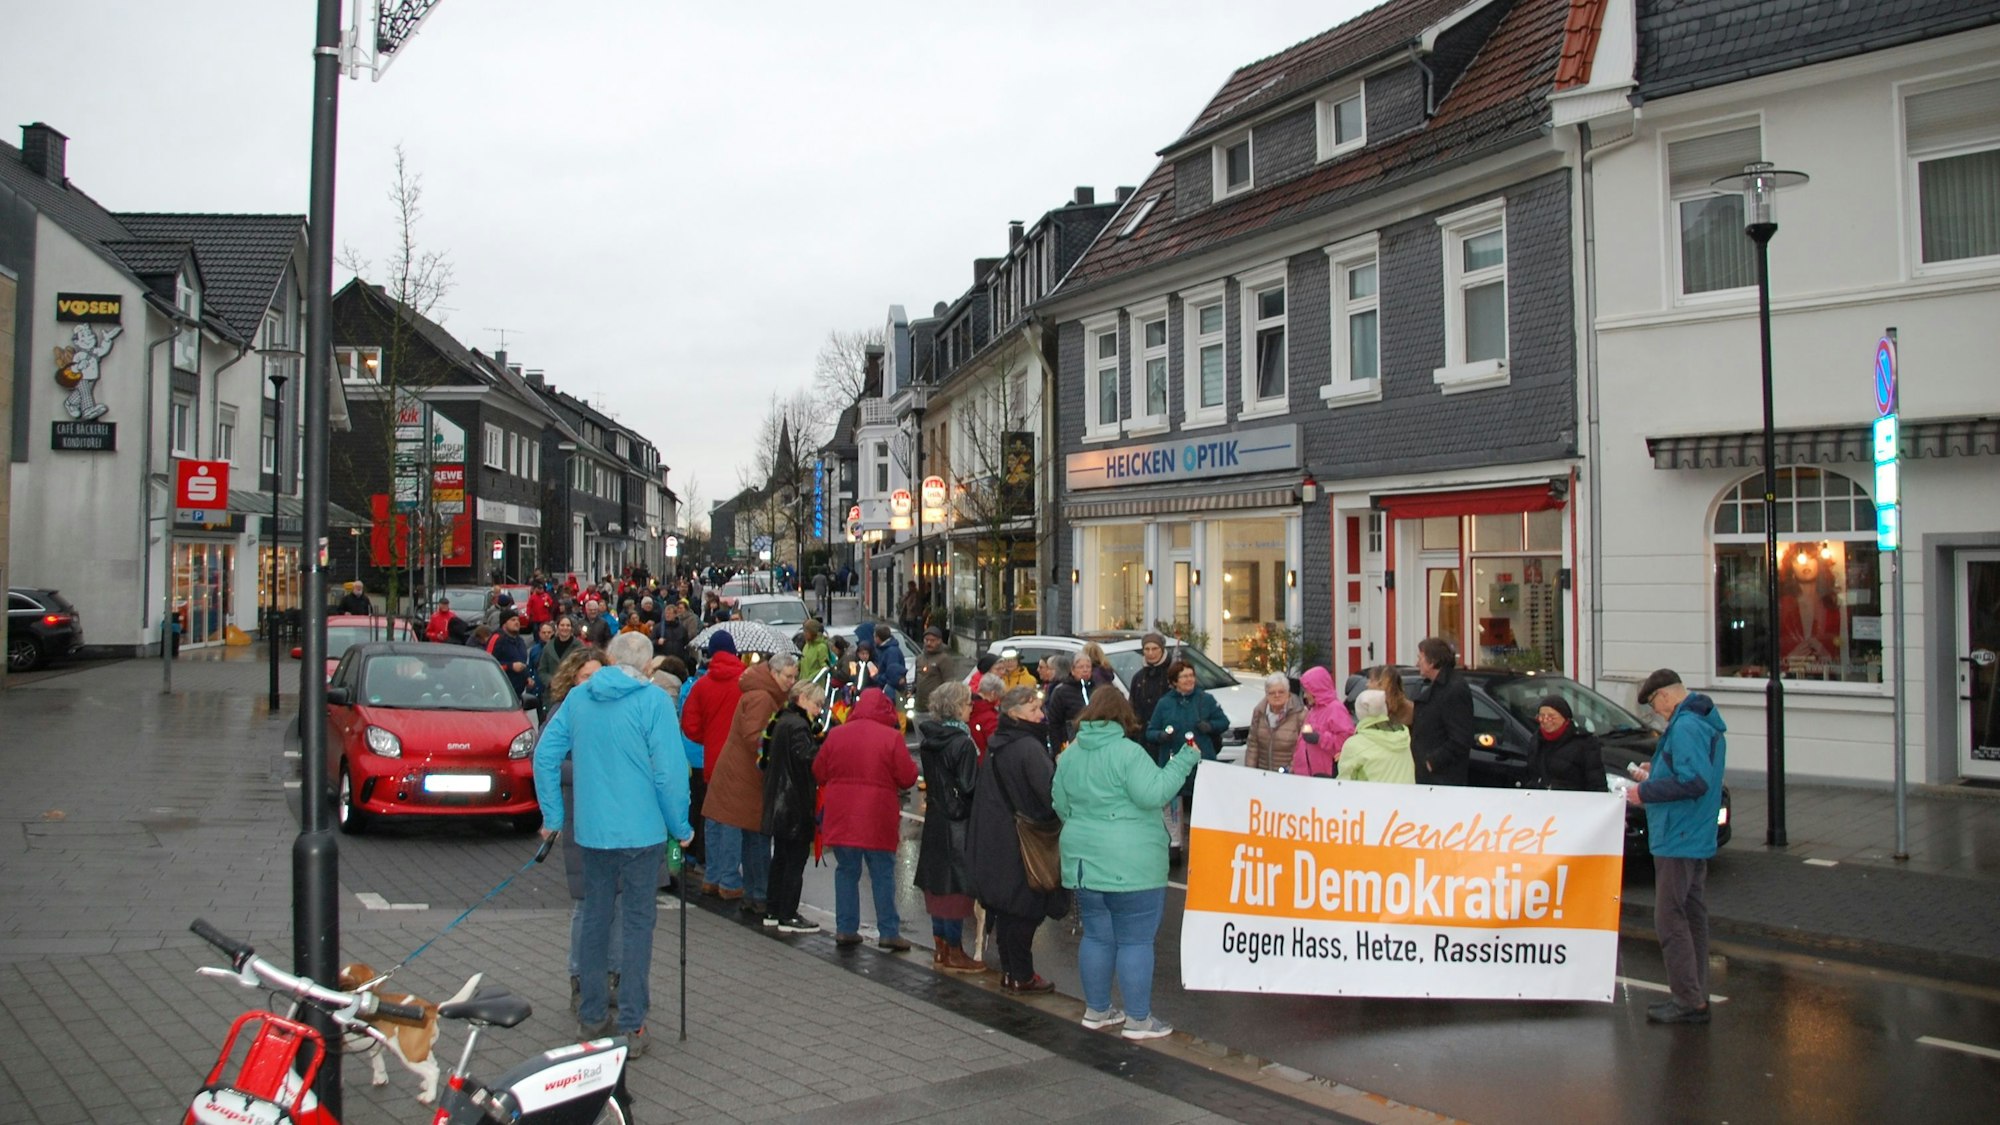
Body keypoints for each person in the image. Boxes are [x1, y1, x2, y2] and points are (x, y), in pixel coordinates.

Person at [532, 633, 693, 1057]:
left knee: (595, 919)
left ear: (608, 659)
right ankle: (632, 1024)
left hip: (593, 830)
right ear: (647, 667)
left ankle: (591, 1016)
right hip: (642, 832)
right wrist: (681, 825)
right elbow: (670, 772)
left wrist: (554, 817)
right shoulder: (654, 702)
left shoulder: (579, 698)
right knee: (637, 925)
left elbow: (544, 756)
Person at [1052, 689, 1198, 1040]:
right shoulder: (1128, 753)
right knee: (1135, 941)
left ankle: (1097, 1011)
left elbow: (1059, 803)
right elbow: (1154, 794)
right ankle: (1138, 1020)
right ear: (1123, 716)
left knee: (1097, 937)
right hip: (1133, 865)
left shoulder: (1070, 756)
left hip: (1084, 863)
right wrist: (1184, 760)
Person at [1630, 668, 1727, 1025]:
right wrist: (1655, 769)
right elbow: (1692, 773)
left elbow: (1694, 781)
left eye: (1654, 704)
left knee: (1669, 917)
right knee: (1692, 913)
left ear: (1666, 696)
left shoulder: (1685, 727)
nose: (1656, 712)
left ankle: (1687, 999)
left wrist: (1645, 791)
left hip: (1678, 833)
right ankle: (1696, 993)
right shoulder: (1702, 721)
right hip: (1694, 833)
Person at [965, 686, 1068, 992]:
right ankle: (1021, 975)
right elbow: (1050, 794)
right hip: (1023, 839)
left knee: (1007, 909)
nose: (1041, 715)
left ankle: (1011, 972)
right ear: (1013, 714)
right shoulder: (1028, 747)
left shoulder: (999, 744)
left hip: (997, 835)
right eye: (1033, 709)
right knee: (1026, 910)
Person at [814, 687, 919, 950]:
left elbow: (819, 771)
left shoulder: (836, 734)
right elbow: (907, 777)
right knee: (882, 874)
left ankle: (845, 928)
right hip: (877, 816)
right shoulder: (891, 737)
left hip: (841, 814)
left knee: (846, 871)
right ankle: (889, 932)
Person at [703, 652, 796, 918]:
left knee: (750, 834)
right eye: (788, 676)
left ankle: (752, 893)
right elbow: (755, 736)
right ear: (774, 674)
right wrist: (779, 752)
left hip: (741, 774)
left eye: (794, 677)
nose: (791, 681)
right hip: (747, 776)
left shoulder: (760, 692)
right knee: (758, 836)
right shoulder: (763, 697)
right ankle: (759, 894)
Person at [546, 647, 610, 1013]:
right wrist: (588, 768)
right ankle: (580, 975)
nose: (592, 684)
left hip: (610, 816)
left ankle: (611, 973)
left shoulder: (612, 710)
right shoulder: (564, 711)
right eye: (586, 676)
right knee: (586, 902)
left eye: (598, 676)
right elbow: (549, 760)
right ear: (572, 678)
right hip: (578, 814)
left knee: (614, 902)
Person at [914, 681, 985, 973]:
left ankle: (941, 948)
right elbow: (969, 786)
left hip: (936, 818)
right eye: (968, 703)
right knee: (956, 888)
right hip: (958, 822)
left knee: (937, 886)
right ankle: (955, 951)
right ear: (956, 707)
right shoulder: (962, 743)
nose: (971, 708)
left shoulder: (929, 739)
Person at [681, 633, 747, 897]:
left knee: (713, 816)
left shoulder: (701, 685)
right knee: (732, 819)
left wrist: (709, 737)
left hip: (711, 758)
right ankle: (729, 880)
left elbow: (689, 725)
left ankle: (712, 875)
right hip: (738, 759)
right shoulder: (744, 681)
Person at [1144, 661, 1230, 857]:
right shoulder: (1164, 703)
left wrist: (1210, 726)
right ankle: (1174, 843)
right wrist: (1162, 736)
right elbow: (1150, 731)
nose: (1189, 679)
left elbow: (1223, 722)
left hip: (1202, 762)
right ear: (1174, 681)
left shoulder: (1205, 699)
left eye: (1191, 675)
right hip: (1173, 762)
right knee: (1173, 804)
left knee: (1204, 802)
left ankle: (1205, 841)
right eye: (1184, 676)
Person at [761, 679, 826, 934]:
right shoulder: (799, 727)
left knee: (780, 858)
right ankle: (788, 914)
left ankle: (773, 910)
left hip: (779, 800)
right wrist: (824, 746)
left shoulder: (782, 721)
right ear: (803, 699)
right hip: (793, 803)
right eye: (817, 704)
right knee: (794, 862)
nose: (819, 710)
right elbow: (807, 759)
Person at [1411, 638, 1474, 785]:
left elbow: (1461, 738)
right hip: (1432, 778)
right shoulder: (1439, 687)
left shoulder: (1454, 689)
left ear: (1432, 662)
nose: (1417, 663)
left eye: (1420, 658)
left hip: (1443, 779)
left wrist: (1432, 762)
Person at [1525, 695, 1609, 791]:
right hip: (1541, 798)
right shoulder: (1536, 740)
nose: (1545, 720)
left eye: (1551, 717)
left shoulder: (1585, 743)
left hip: (1573, 798)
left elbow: (1597, 784)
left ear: (1565, 718)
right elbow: (1532, 775)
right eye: (1541, 716)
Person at [1337, 690, 1416, 783]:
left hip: (1373, 792)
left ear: (1359, 713)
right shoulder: (1403, 736)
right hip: (1406, 792)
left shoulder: (1354, 744)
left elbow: (1343, 784)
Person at [1292, 666, 1356, 778]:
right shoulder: (1314, 710)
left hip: (1326, 776)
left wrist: (1320, 738)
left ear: (1317, 689)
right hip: (1308, 775)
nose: (1305, 695)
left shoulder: (1335, 709)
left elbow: (1346, 741)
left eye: (1307, 691)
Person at [1243, 672, 1306, 773]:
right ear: (1266, 694)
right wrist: (1250, 772)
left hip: (1288, 775)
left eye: (1281, 692)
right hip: (1263, 773)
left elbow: (1302, 748)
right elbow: (1252, 745)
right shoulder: (1259, 712)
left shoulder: (1300, 714)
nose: (1277, 695)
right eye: (1272, 693)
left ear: (1288, 693)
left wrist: (1289, 771)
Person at [1043, 651, 1091, 752]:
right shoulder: (1061, 691)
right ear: (1072, 670)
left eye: (1088, 666)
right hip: (1071, 743)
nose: (1085, 670)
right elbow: (1054, 724)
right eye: (1081, 667)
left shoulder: (1097, 688)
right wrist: (1057, 751)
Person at [1128, 633, 1175, 727]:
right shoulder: (1138, 678)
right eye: (1147, 649)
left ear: (1162, 649)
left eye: (1154, 649)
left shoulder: (1173, 675)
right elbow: (1132, 707)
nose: (1150, 653)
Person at [912, 626, 960, 714]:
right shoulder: (919, 658)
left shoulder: (944, 659)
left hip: (935, 708)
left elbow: (950, 683)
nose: (929, 643)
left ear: (939, 641)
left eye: (932, 640)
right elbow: (916, 679)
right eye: (926, 640)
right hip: (919, 706)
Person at [486, 611, 531, 702]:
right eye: (513, 620)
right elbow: (488, 664)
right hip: (499, 691)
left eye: (518, 620)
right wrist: (510, 666)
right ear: (504, 623)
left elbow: (522, 662)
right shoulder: (497, 638)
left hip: (517, 692)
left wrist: (527, 677)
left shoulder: (520, 641)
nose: (517, 622)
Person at [969, 672, 1004, 754]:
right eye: (999, 695)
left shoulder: (967, 706)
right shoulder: (989, 716)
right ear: (993, 694)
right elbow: (995, 743)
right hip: (985, 757)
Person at [797, 618, 833, 685]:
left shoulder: (821, 647)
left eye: (806, 632)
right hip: (803, 684)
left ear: (812, 632)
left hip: (815, 685)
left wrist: (812, 678)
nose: (804, 634)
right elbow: (802, 661)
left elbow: (825, 668)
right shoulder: (806, 646)